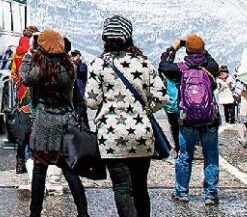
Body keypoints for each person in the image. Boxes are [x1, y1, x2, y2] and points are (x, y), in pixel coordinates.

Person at [86, 15, 167, 217]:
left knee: (122, 189)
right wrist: (146, 110)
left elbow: (91, 101)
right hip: (141, 134)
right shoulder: (144, 64)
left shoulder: (98, 65)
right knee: (141, 187)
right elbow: (162, 97)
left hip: (111, 136)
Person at [19, 29, 90, 217]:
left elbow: (25, 77)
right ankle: (83, 212)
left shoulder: (40, 68)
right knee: (69, 169)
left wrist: (29, 54)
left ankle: (35, 213)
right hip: (65, 121)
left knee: (40, 169)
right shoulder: (69, 68)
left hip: (43, 122)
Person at [160, 34, 222, 205]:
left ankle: (182, 192)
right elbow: (214, 65)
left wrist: (174, 47)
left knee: (185, 156)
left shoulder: (180, 69)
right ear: (203, 50)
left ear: (186, 50)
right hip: (210, 119)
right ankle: (210, 194)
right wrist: (202, 50)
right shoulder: (210, 67)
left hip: (188, 119)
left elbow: (163, 65)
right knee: (211, 156)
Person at [10, 25, 39, 174]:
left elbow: (14, 74)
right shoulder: (37, 50)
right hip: (34, 92)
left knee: (23, 129)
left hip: (22, 92)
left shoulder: (17, 52)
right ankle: (33, 161)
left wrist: (19, 83)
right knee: (35, 127)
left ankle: (20, 162)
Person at [70, 49, 89, 125]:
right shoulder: (70, 65)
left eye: (77, 55)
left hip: (80, 94)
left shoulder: (82, 65)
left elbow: (81, 71)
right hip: (73, 94)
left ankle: (85, 129)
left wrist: (76, 63)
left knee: (82, 115)